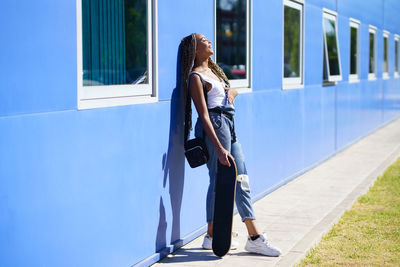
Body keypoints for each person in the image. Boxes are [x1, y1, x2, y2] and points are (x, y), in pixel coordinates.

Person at [180, 33, 281, 257]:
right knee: (220, 179)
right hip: (215, 125)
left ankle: (243, 237)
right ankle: (222, 235)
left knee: (240, 177)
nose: (209, 41)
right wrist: (218, 147)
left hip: (228, 123)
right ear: (195, 49)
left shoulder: (214, 72)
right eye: (203, 40)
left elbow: (229, 91)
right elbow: (203, 116)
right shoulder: (195, 77)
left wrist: (232, 93)